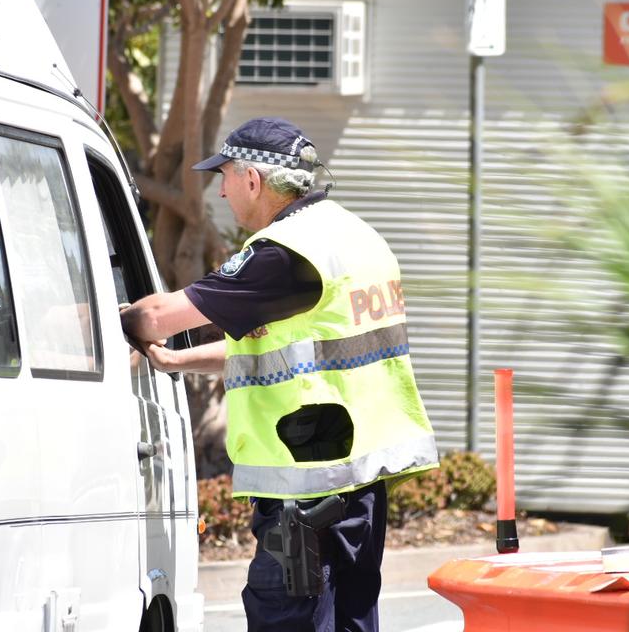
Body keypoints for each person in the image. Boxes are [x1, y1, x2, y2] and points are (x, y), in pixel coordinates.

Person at [120, 117, 439, 631]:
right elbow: (293, 346)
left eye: (224, 176)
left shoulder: (286, 254)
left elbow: (156, 318)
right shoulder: (355, 236)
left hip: (307, 490)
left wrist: (98, 321)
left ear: (254, 180)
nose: (220, 190)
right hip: (356, 488)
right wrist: (179, 361)